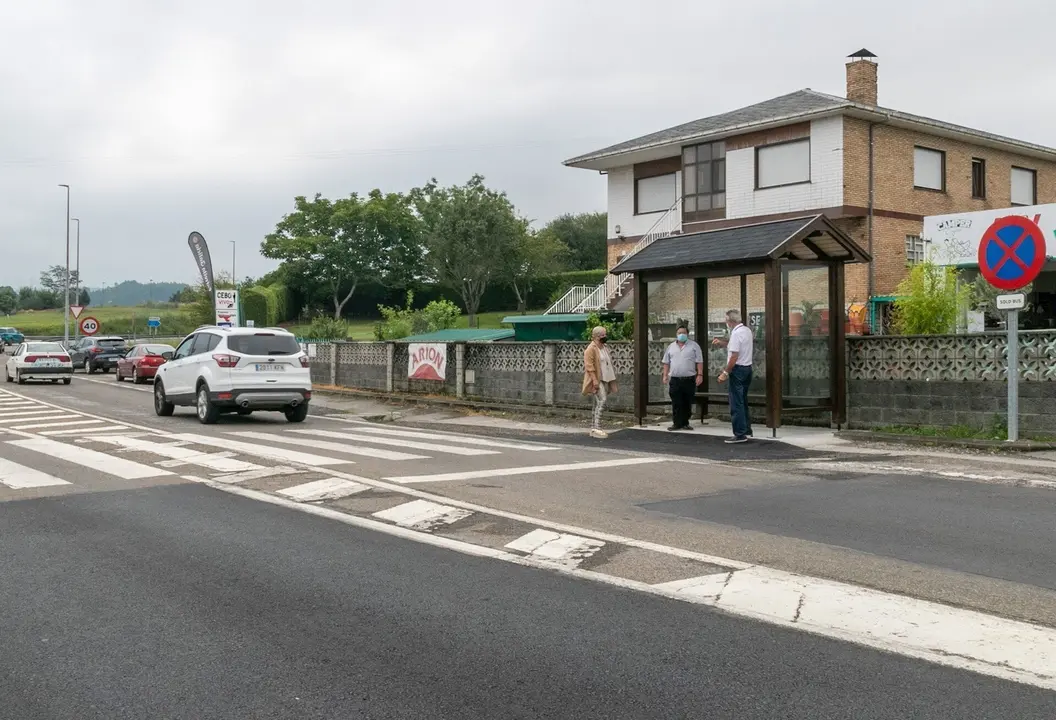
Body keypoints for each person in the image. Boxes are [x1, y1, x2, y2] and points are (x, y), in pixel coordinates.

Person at [713, 309, 754, 443]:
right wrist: (722, 343)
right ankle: (746, 429)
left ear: (730, 321)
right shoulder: (746, 331)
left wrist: (725, 373)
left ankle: (739, 434)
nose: (726, 322)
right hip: (747, 368)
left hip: (737, 370)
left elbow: (734, 355)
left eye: (726, 320)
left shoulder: (736, 334)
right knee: (742, 401)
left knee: (736, 403)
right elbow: (736, 346)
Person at [661, 325, 703, 431]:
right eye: (679, 333)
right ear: (676, 334)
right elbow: (666, 362)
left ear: (687, 334)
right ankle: (676, 423)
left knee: (687, 402)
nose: (681, 335)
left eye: (684, 333)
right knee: (676, 402)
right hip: (675, 379)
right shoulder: (671, 347)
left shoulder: (694, 346)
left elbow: (699, 361)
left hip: (689, 379)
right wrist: (665, 375)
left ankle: (685, 423)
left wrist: (700, 375)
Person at [582, 326, 617, 439]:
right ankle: (597, 427)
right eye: (603, 335)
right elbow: (589, 366)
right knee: (602, 400)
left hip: (606, 378)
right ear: (597, 336)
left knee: (596, 403)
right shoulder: (591, 349)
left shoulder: (605, 347)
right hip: (597, 379)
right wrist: (595, 381)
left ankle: (594, 427)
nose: (605, 336)